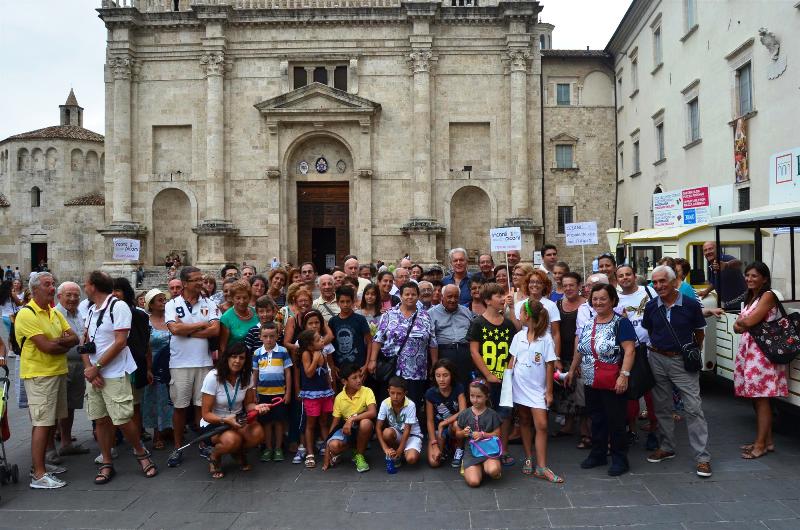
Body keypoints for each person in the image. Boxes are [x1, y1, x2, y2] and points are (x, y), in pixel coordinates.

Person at [83, 270, 158, 484]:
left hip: (114, 373)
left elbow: (120, 342)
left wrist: (97, 367)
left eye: (86, 284)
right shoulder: (91, 310)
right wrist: (89, 369)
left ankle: (140, 453)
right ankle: (107, 461)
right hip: (94, 374)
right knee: (101, 419)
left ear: (93, 286)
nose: (84, 287)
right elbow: (85, 342)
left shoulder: (118, 306)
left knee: (123, 418)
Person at [642, 265, 712, 477]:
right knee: (662, 406)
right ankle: (667, 447)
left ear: (673, 282)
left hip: (681, 361)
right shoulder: (651, 306)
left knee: (693, 408)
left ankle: (702, 458)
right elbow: (650, 330)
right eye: (655, 282)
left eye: (662, 281)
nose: (658, 286)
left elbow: (699, 332)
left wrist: (691, 352)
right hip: (656, 358)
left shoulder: (690, 304)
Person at [16, 272, 79, 488]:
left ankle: (41, 464)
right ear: (35, 289)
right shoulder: (27, 313)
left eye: (53, 284)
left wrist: (59, 342)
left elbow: (75, 338)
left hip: (57, 372)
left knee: (51, 421)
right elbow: (47, 347)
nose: (52, 288)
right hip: (40, 375)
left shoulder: (53, 312)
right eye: (47, 284)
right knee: (42, 423)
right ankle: (38, 474)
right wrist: (61, 342)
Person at [568, 283, 637, 476]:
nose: (598, 302)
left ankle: (620, 459)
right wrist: (572, 370)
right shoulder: (589, 322)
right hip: (591, 379)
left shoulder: (621, 322)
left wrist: (624, 376)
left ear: (613, 300)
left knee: (616, 420)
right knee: (596, 418)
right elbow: (580, 349)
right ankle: (598, 454)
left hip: (612, 379)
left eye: (603, 299)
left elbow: (630, 350)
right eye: (595, 299)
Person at [165, 266, 221, 466]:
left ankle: (202, 444)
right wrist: (202, 325)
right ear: (185, 283)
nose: (200, 283)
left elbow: (215, 330)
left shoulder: (210, 303)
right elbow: (174, 328)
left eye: (201, 279)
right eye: (196, 280)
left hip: (204, 362)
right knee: (180, 407)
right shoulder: (172, 304)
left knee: (201, 406)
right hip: (180, 363)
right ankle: (178, 447)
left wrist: (186, 330)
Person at [733, 262, 786, 459]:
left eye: (754, 276)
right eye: (747, 275)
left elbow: (747, 322)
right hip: (751, 353)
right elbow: (738, 327)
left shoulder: (768, 295)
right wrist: (743, 323)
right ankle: (767, 441)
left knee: (762, 399)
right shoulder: (752, 297)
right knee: (757, 399)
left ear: (765, 279)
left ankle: (761, 444)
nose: (749, 279)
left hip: (761, 355)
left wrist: (743, 323)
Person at [509, 300, 562, 482]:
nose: (519, 316)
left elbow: (549, 366)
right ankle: (529, 458)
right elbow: (512, 361)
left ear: (528, 316)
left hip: (538, 389)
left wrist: (549, 392)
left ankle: (542, 466)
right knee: (524, 420)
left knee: (542, 425)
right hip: (519, 385)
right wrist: (507, 385)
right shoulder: (519, 336)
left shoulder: (546, 339)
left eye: (521, 313)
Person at [201, 342, 268, 479]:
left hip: (237, 419)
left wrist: (257, 407)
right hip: (215, 422)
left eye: (241, 358)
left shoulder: (246, 376)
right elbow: (206, 414)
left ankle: (237, 451)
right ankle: (214, 455)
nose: (237, 361)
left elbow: (248, 404)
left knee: (258, 434)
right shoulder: (213, 377)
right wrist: (225, 420)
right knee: (232, 440)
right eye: (234, 356)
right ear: (227, 357)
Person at [468, 282, 517, 466]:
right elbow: (474, 351)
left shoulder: (508, 324)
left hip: (505, 377)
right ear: (488, 300)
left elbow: (514, 351)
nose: (503, 299)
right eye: (498, 296)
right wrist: (488, 375)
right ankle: (483, 450)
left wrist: (508, 372)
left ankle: (503, 450)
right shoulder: (478, 323)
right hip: (485, 378)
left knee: (505, 414)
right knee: (484, 413)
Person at [371, 282, 437, 408]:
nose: (410, 297)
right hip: (392, 369)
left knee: (412, 406)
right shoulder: (389, 314)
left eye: (413, 294)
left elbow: (432, 343)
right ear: (401, 296)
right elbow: (378, 339)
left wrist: (434, 365)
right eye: (407, 294)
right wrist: (373, 360)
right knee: (390, 406)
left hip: (416, 371)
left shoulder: (425, 316)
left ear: (418, 296)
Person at [616, 265, 659, 449]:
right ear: (617, 279)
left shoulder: (649, 291)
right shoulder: (615, 298)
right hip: (629, 352)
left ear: (634, 276)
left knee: (653, 393)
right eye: (621, 276)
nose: (625, 278)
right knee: (631, 392)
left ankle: (654, 431)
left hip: (652, 349)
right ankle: (632, 430)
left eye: (628, 274)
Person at [112, 277, 152, 442]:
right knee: (113, 404)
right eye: (111, 290)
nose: (114, 294)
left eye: (118, 290)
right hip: (112, 367)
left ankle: (137, 437)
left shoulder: (139, 315)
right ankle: (115, 437)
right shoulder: (105, 314)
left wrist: (148, 367)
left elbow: (145, 343)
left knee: (134, 404)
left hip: (134, 365)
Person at [54, 282, 90, 457]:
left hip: (78, 364)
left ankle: (66, 442)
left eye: (76, 295)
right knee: (57, 406)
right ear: (59, 296)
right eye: (68, 295)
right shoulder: (55, 314)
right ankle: (50, 448)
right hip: (62, 364)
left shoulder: (79, 313)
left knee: (71, 406)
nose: (73, 298)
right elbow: (57, 340)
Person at [554, 272, 589, 445]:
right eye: (565, 285)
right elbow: (554, 332)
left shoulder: (587, 305)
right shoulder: (557, 305)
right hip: (563, 353)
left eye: (572, 285)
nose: (568, 288)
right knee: (565, 390)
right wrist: (556, 357)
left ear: (579, 286)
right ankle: (568, 425)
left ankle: (584, 429)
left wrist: (580, 360)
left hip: (581, 355)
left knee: (581, 392)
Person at [322, 363, 377, 472]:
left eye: (360, 376)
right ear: (344, 381)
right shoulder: (339, 398)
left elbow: (373, 412)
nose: (359, 380)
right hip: (348, 431)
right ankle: (354, 448)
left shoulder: (367, 391)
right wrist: (327, 451)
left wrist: (351, 419)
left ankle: (360, 455)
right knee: (333, 445)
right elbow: (335, 423)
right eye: (354, 378)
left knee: (366, 423)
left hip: (363, 429)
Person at [252, 323, 292, 463]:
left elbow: (288, 373)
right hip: (263, 394)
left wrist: (288, 392)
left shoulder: (283, 351)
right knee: (267, 422)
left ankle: (278, 448)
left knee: (279, 421)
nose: (269, 339)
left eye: (272, 336)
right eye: (265, 336)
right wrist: (254, 392)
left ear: (277, 336)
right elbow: (255, 374)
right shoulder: (257, 353)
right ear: (260, 337)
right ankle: (268, 448)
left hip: (279, 393)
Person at [454, 380, 503, 487]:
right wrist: (463, 433)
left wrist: (483, 435)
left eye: (479, 396)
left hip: (489, 451)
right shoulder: (465, 414)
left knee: (494, 470)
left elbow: (497, 434)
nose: (475, 400)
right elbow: (457, 434)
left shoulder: (492, 414)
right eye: (472, 396)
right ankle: (472, 467)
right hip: (471, 452)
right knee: (474, 482)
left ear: (486, 396)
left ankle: (484, 467)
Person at [297, 328, 334, 468]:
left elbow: (326, 373)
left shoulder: (323, 352)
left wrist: (330, 389)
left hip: (324, 392)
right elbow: (309, 373)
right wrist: (316, 360)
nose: (322, 340)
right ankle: (310, 453)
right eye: (318, 340)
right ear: (310, 345)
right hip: (311, 394)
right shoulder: (306, 354)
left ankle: (328, 449)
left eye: (321, 338)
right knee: (311, 424)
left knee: (324, 422)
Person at [141, 289, 173, 451]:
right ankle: (157, 433)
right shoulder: (146, 322)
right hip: (154, 363)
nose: (164, 302)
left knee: (171, 398)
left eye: (164, 299)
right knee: (155, 399)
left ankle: (169, 428)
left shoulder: (172, 318)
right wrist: (148, 368)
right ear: (151, 304)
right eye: (160, 300)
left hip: (172, 363)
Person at [425, 359, 467, 468]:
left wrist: (443, 423)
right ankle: (445, 448)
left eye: (445, 375)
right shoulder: (430, 393)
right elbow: (429, 421)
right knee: (434, 462)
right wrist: (434, 443)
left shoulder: (458, 388)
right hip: (438, 431)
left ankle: (459, 449)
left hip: (453, 427)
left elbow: (463, 411)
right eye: (438, 375)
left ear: (451, 375)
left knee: (457, 423)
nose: (441, 379)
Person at [429, 284, 474, 385]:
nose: (453, 300)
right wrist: (434, 363)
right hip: (444, 354)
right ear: (442, 297)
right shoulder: (431, 313)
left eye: (456, 297)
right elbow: (431, 340)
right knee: (446, 386)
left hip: (464, 353)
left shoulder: (466, 311)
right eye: (449, 297)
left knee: (465, 385)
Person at [377, 376, 423, 467]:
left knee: (411, 459)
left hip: (412, 435)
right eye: (392, 393)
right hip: (398, 434)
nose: (395, 397)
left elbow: (407, 430)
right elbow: (378, 427)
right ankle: (396, 453)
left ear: (405, 393)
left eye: (399, 393)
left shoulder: (410, 405)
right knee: (387, 433)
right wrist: (385, 448)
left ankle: (402, 452)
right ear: (388, 391)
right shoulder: (385, 403)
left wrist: (399, 450)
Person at [328, 286, 371, 380]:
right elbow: (329, 345)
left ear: (353, 301)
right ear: (337, 302)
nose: (345, 304)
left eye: (348, 301)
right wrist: (333, 366)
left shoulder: (360, 319)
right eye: (342, 301)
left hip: (359, 368)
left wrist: (366, 364)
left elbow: (369, 342)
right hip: (340, 369)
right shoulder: (333, 321)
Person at [698, 241, 746, 307]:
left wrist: (726, 264)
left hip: (741, 303)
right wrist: (706, 291)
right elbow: (715, 282)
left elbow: (739, 263)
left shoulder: (725, 258)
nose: (708, 252)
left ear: (717, 250)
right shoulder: (712, 264)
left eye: (710, 249)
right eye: (705, 250)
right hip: (728, 304)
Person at [219, 280, 259, 353]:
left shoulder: (256, 313)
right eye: (238, 298)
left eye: (245, 298)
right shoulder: (226, 318)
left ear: (249, 297)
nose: (242, 301)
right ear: (232, 298)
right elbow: (222, 346)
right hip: (236, 358)